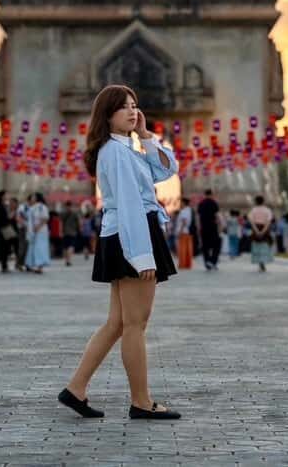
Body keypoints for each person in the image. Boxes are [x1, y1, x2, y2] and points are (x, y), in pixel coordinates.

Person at [59, 84, 181, 420]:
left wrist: (146, 135)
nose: (132, 110)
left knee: (117, 323)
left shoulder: (127, 148)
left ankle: (76, 389)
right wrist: (141, 257)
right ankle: (141, 401)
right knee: (135, 324)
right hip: (133, 233)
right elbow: (129, 205)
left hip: (126, 233)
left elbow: (167, 169)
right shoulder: (114, 152)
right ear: (107, 114)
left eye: (134, 104)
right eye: (123, 106)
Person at [25, 193, 51, 274]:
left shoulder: (42, 207)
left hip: (41, 231)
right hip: (33, 231)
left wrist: (38, 227)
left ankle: (40, 266)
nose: (32, 198)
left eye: (33, 197)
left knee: (40, 248)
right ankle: (32, 265)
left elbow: (45, 218)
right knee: (32, 248)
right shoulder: (32, 207)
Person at [248, 196, 274, 272]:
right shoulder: (267, 210)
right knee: (264, 246)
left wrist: (256, 231)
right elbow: (268, 222)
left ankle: (260, 263)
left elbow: (252, 222)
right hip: (265, 229)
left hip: (256, 228)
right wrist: (263, 231)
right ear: (263, 201)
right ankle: (263, 262)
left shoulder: (253, 210)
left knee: (257, 246)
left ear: (256, 201)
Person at [0, 192, 18, 273]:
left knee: (6, 247)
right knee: (4, 247)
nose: (7, 196)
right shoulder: (0, 206)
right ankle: (2, 264)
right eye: (6, 195)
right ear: (2, 196)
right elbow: (6, 218)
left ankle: (3, 264)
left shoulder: (3, 205)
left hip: (4, 229)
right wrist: (13, 212)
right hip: (4, 229)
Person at [197, 189, 221, 270]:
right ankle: (213, 261)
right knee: (216, 245)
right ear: (211, 194)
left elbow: (198, 217)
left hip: (204, 227)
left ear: (205, 194)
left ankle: (207, 262)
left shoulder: (201, 203)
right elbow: (217, 216)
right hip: (213, 227)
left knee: (205, 246)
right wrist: (219, 226)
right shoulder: (214, 203)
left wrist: (199, 227)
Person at [175, 198, 194, 269]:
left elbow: (184, 221)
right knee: (188, 249)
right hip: (187, 231)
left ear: (184, 203)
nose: (180, 204)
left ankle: (182, 264)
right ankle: (187, 264)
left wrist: (180, 231)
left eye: (181, 202)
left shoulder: (183, 211)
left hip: (183, 231)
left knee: (182, 249)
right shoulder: (189, 210)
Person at [61, 201, 80, 267]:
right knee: (71, 246)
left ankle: (66, 260)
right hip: (73, 232)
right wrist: (79, 229)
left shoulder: (63, 213)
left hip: (65, 232)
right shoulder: (75, 213)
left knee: (65, 247)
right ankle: (69, 260)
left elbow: (61, 222)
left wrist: (61, 231)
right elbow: (78, 223)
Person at [16, 196, 31, 271]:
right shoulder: (23, 207)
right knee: (23, 247)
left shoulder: (32, 207)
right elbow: (18, 218)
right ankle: (20, 263)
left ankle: (27, 264)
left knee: (29, 247)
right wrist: (25, 226)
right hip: (23, 229)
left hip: (30, 229)